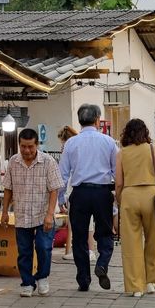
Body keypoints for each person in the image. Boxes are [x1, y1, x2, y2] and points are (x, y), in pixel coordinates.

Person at [59, 104, 117, 292]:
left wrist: (61, 199)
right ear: (97, 119)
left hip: (80, 193)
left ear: (80, 120)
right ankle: (102, 263)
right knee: (105, 233)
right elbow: (117, 171)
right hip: (102, 192)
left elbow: (63, 174)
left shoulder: (71, 143)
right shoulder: (108, 142)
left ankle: (83, 279)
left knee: (79, 237)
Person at [1, 129, 63, 297]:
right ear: (19, 145)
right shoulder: (13, 162)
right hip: (22, 214)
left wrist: (50, 214)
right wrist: (5, 212)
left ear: (37, 145)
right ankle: (27, 282)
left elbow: (54, 189)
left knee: (43, 248)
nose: (26, 150)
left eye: (30, 147)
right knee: (24, 251)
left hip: (43, 214)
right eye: (23, 146)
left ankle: (42, 277)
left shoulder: (48, 162)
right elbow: (8, 188)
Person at [115, 119, 155, 297]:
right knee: (152, 239)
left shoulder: (121, 153)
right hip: (150, 195)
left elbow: (119, 182)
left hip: (129, 195)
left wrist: (119, 200)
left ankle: (135, 286)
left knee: (131, 244)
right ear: (145, 132)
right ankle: (152, 281)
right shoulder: (151, 148)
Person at [57, 126, 97, 262]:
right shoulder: (84, 146)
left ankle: (84, 250)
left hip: (74, 187)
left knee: (77, 221)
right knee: (88, 221)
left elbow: (63, 173)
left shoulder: (69, 148)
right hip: (90, 186)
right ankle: (88, 249)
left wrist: (60, 197)